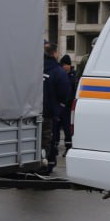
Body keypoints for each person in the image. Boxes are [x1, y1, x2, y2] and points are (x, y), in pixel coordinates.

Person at [41, 42, 71, 174]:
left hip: (32, 112)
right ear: (54, 53)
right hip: (49, 113)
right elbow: (64, 93)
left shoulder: (35, 67)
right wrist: (59, 109)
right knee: (48, 140)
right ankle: (46, 165)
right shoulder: (58, 71)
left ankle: (34, 164)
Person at [58, 54, 75, 152]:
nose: (63, 67)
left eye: (65, 65)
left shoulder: (73, 76)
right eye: (62, 65)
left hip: (68, 107)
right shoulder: (60, 75)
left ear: (69, 65)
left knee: (67, 129)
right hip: (60, 106)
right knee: (56, 128)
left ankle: (68, 148)